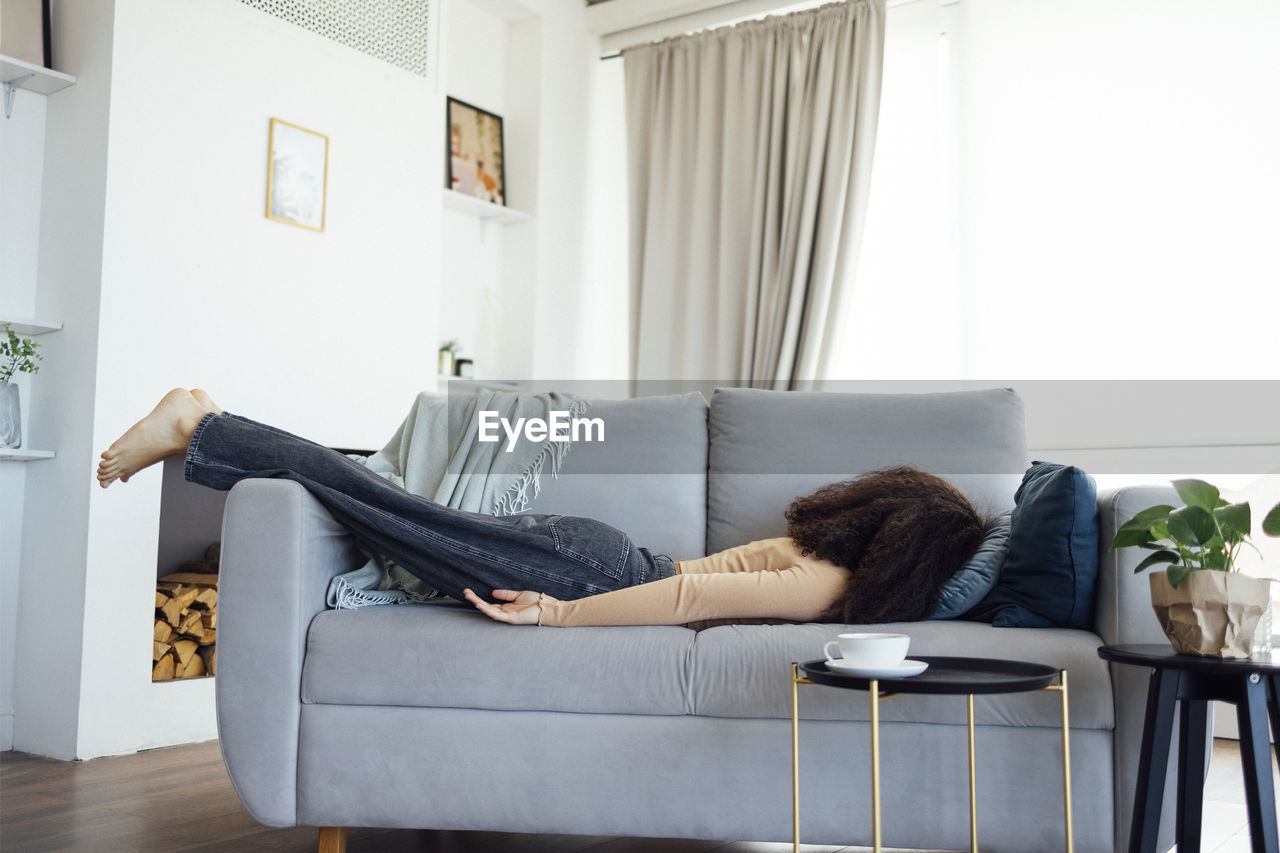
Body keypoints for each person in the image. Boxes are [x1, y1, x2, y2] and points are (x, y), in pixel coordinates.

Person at [98, 389, 985, 629]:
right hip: (599, 573)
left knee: (384, 509)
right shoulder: (826, 584)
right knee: (377, 505)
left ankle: (211, 429)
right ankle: (203, 423)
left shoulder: (818, 542)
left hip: (597, 551)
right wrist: (561, 616)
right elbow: (685, 601)